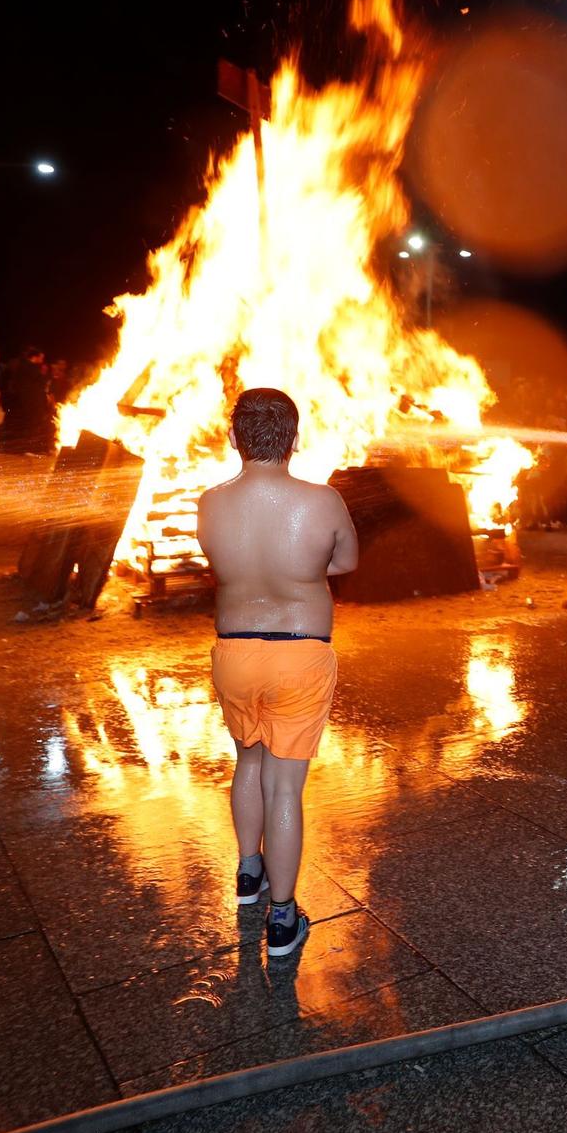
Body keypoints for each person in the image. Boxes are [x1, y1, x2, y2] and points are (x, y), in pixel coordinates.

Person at [196, 389, 359, 958]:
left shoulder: (210, 503)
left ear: (234, 437)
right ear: (295, 439)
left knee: (248, 760)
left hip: (234, 651)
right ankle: (284, 919)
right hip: (300, 652)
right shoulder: (323, 501)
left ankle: (249, 874)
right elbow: (346, 562)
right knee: (284, 784)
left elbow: (217, 562)